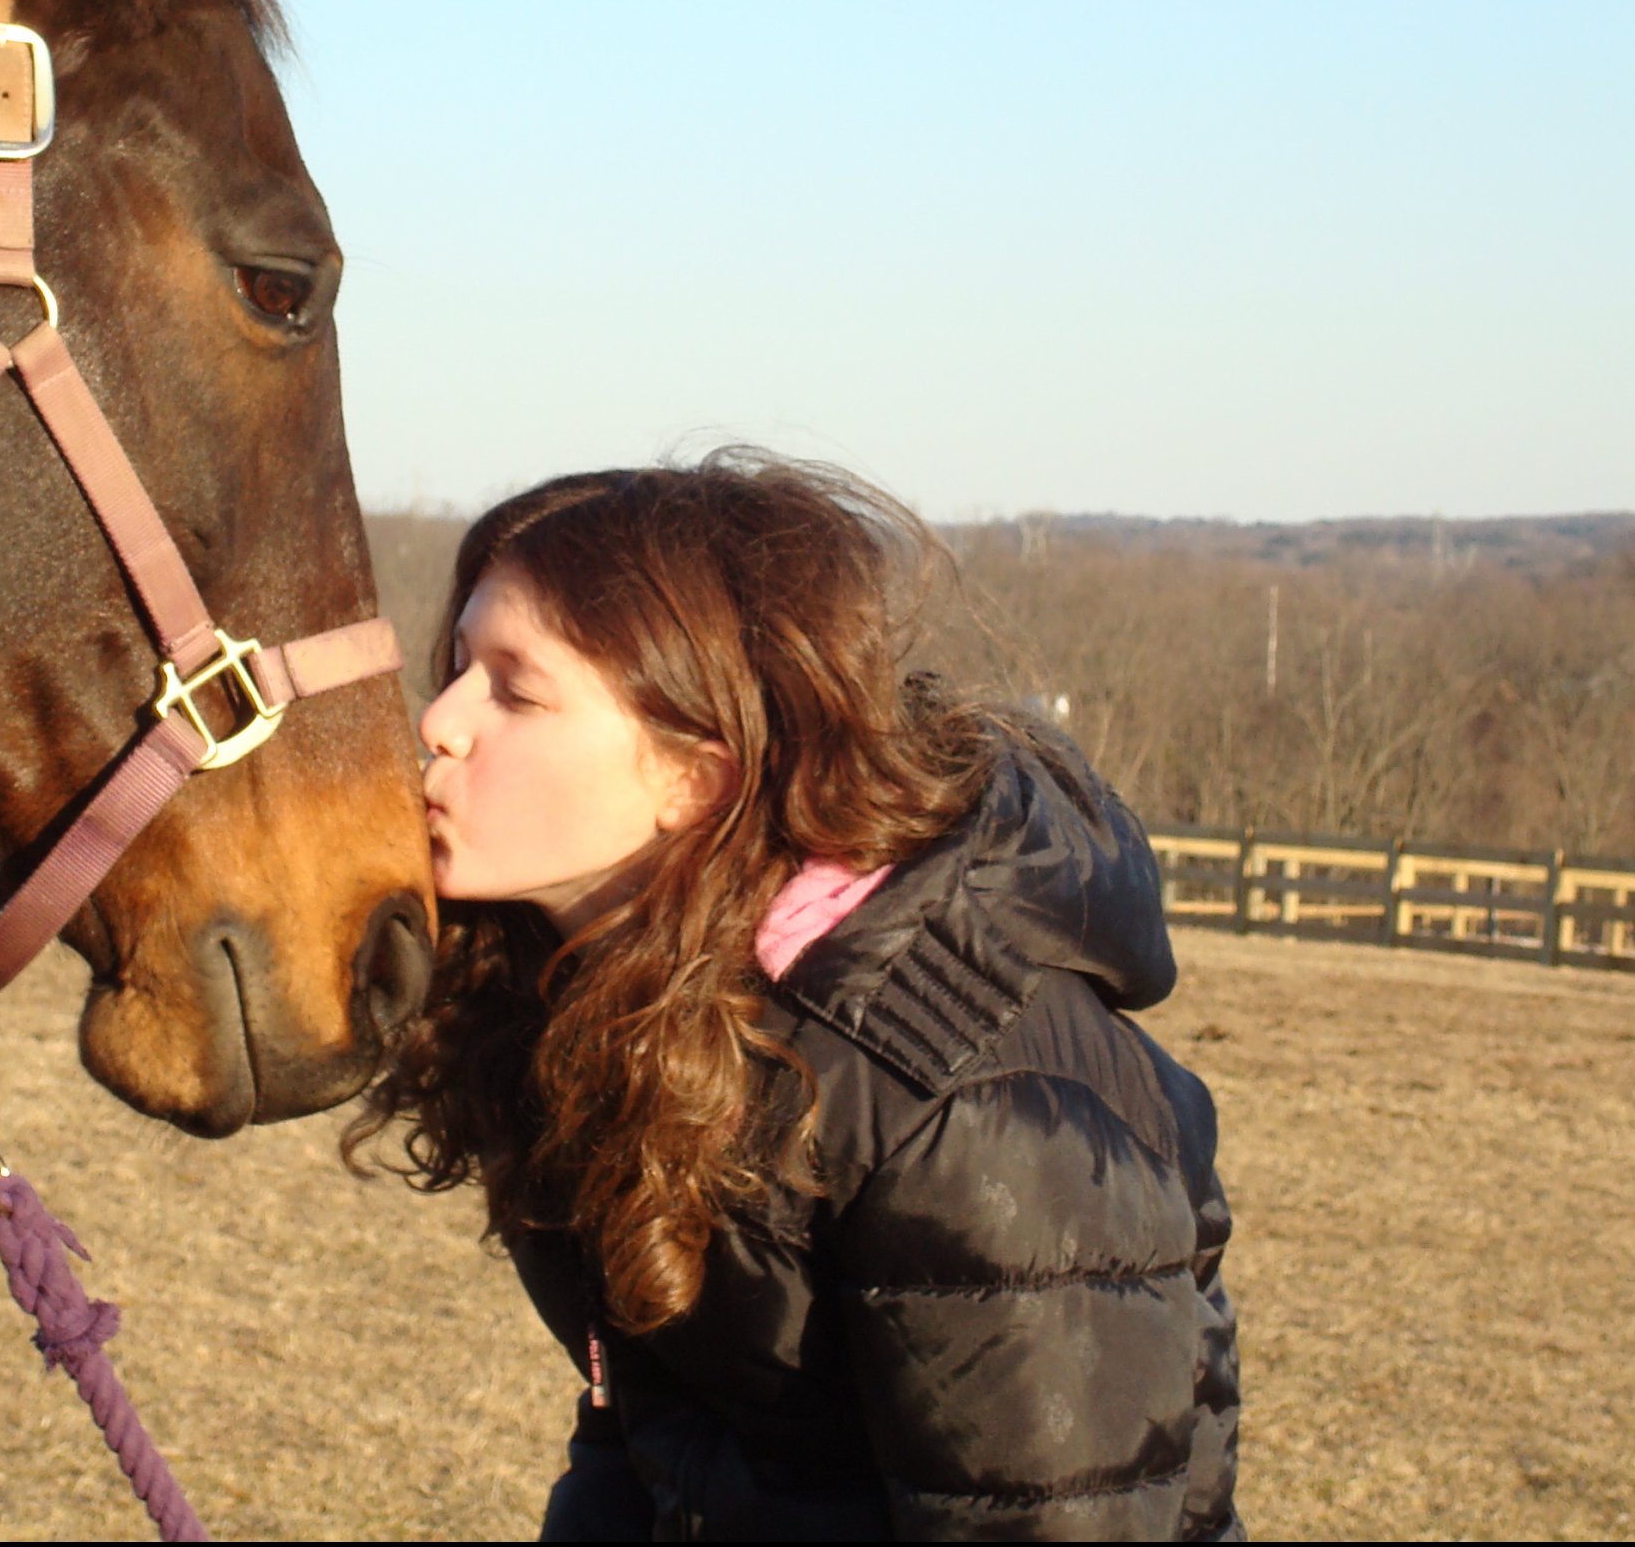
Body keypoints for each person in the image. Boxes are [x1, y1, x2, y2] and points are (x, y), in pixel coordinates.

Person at [346, 454, 1240, 1541]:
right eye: (453, 667)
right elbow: (651, 1437)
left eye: (514, 689)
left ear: (697, 776)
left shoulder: (970, 1096)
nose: (436, 722)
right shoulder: (595, 1004)